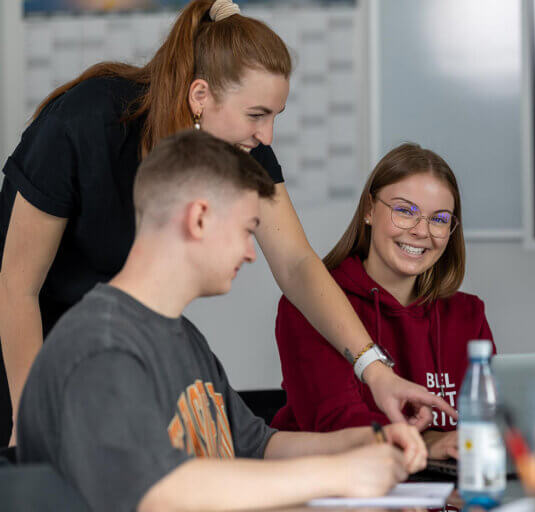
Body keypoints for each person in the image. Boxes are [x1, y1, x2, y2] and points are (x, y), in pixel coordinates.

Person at [0, 0, 452, 446]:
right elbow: (16, 288)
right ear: (200, 97)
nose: (267, 136)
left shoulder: (243, 145)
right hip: (22, 349)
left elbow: (295, 263)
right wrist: (32, 422)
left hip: (116, 358)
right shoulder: (84, 122)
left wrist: (374, 369)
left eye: (275, 117)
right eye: (257, 115)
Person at [17, 130, 427, 512]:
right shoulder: (100, 345)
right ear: (198, 218)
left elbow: (260, 446)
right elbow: (155, 492)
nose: (251, 253)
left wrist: (365, 442)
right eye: (247, 230)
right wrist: (339, 474)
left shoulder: (183, 338)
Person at [271, 143, 495, 460]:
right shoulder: (310, 304)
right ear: (369, 210)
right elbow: (335, 425)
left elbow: (490, 421)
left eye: (439, 219)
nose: (421, 231)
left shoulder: (469, 313)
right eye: (405, 211)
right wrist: (430, 444)